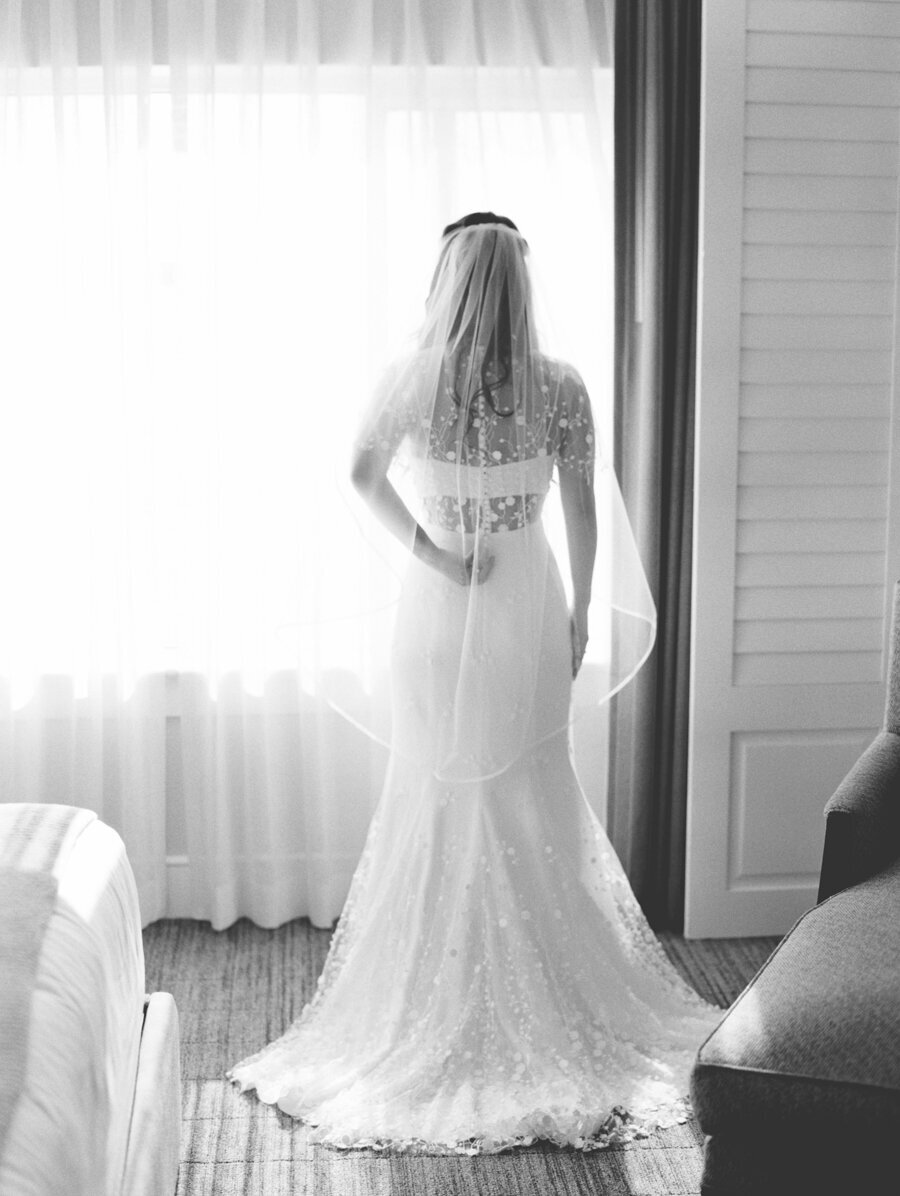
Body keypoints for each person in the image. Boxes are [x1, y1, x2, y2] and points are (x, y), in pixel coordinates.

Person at [227, 213, 721, 1152]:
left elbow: (360, 477)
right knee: (528, 792)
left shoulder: (411, 385)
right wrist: (576, 610)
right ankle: (536, 989)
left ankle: (434, 996)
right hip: (524, 607)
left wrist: (438, 557)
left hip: (439, 604)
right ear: (519, 286)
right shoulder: (562, 387)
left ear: (448, 281)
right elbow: (581, 511)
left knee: (442, 792)